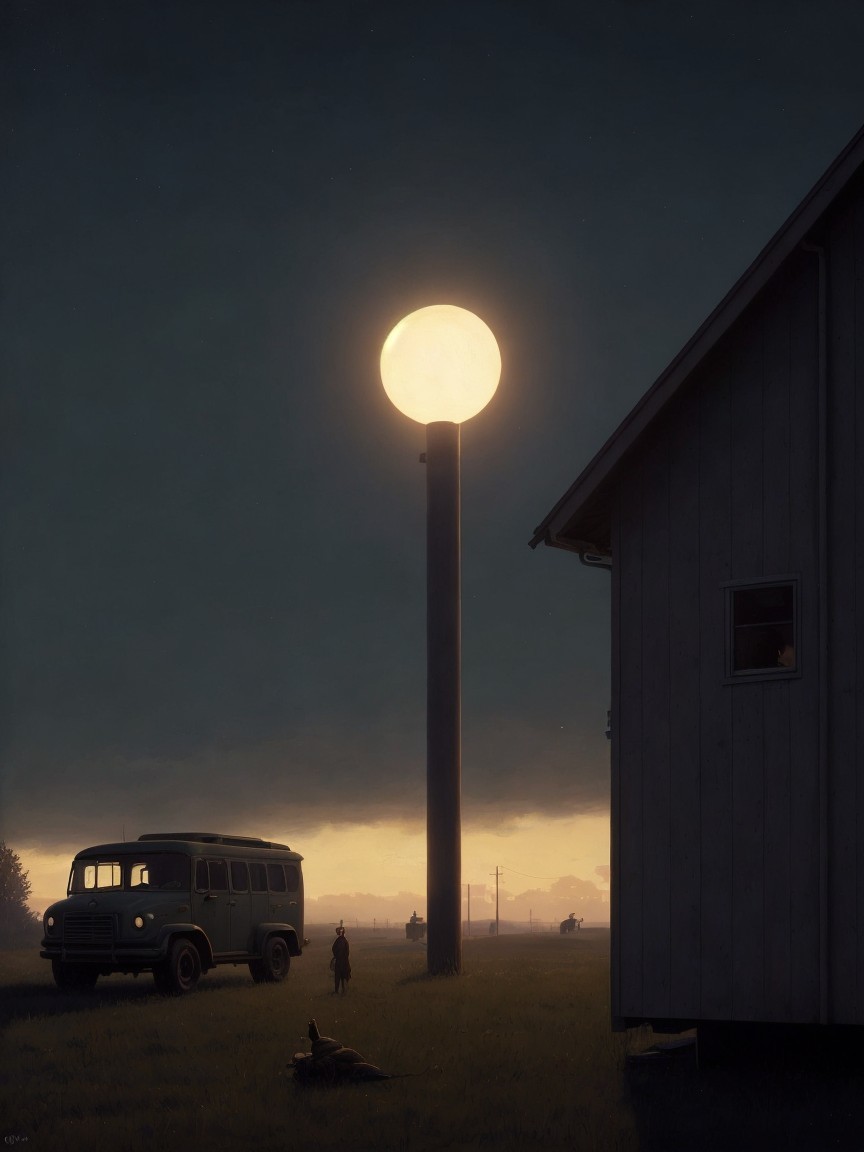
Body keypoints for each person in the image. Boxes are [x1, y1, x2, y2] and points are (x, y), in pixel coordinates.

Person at [332, 926, 351, 995]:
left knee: (338, 976)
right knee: (343, 976)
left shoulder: (339, 941)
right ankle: (343, 990)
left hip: (340, 961)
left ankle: (337, 991)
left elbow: (334, 949)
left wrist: (336, 956)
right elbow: (347, 952)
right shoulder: (344, 940)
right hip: (344, 961)